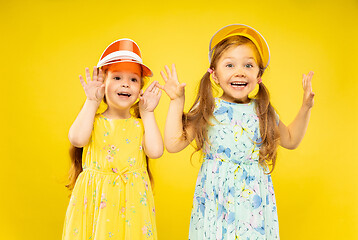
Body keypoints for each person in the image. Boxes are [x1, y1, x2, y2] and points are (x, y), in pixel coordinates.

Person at [159, 24, 314, 239]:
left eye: (248, 65)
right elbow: (174, 144)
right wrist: (176, 101)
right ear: (214, 75)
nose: (239, 71)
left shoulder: (262, 109)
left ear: (259, 75)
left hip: (253, 200)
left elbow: (290, 139)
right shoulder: (207, 107)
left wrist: (305, 107)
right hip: (216, 197)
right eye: (229, 65)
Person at [62, 38, 163, 240]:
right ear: (103, 83)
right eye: (117, 78)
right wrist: (92, 100)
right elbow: (77, 139)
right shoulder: (93, 121)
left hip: (133, 204)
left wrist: (148, 113)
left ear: (140, 88)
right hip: (96, 200)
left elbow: (156, 151)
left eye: (133, 79)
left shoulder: (140, 124)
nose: (126, 83)